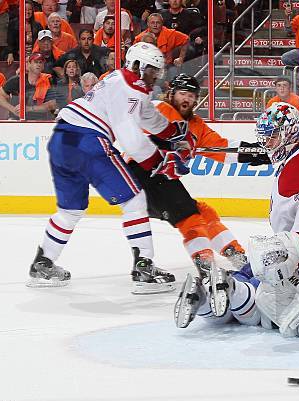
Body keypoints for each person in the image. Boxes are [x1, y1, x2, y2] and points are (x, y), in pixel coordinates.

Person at [175, 102, 299, 338]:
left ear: (289, 135)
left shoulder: (298, 174)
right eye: (265, 137)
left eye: (271, 137)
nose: (266, 143)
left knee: (269, 289)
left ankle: (228, 295)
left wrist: (286, 264)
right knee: (261, 265)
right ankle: (224, 289)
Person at [26, 42, 189, 294]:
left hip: (62, 140)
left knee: (70, 210)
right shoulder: (131, 88)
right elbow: (132, 140)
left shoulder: (120, 81)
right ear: (139, 66)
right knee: (134, 200)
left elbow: (147, 117)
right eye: (152, 70)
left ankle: (42, 263)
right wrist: (159, 163)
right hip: (88, 141)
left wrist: (172, 132)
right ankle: (143, 267)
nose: (156, 75)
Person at [129, 74, 255, 279]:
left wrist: (253, 152)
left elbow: (222, 148)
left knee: (204, 213)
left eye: (191, 95)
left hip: (161, 180)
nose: (186, 99)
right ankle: (207, 270)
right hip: (142, 173)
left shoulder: (197, 125)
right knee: (191, 219)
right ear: (171, 94)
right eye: (181, 94)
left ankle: (236, 255)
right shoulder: (160, 108)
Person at [0, 52, 59, 120]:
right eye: (35, 62)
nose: (38, 64)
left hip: (41, 120)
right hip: (17, 119)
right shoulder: (17, 80)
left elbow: (53, 104)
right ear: (28, 64)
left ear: (43, 66)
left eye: (41, 62)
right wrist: (13, 110)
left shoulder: (49, 80)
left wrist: (28, 108)